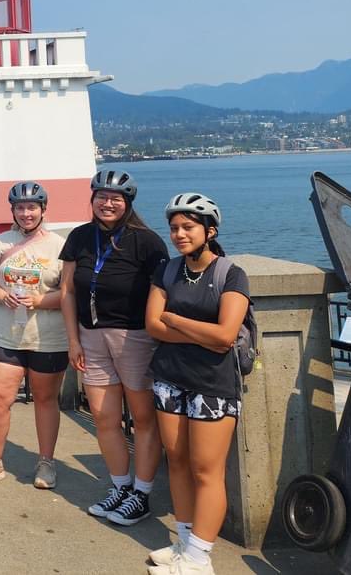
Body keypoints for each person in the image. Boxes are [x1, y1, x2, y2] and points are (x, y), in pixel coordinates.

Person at [145, 194, 250, 574]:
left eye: (187, 227)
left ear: (210, 230)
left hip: (213, 384)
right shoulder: (168, 271)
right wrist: (195, 331)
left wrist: (176, 320)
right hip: (170, 379)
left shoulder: (230, 274)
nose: (178, 234)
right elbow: (152, 325)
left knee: (207, 470)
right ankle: (184, 543)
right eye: (174, 227)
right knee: (176, 462)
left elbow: (225, 336)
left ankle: (199, 557)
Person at [60, 169, 168, 526]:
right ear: (91, 199)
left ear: (128, 203)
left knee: (142, 418)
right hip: (90, 336)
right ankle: (120, 486)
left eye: (116, 198)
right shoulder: (79, 237)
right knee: (105, 417)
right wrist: (73, 339)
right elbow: (67, 291)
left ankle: (142, 493)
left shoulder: (147, 241)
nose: (108, 203)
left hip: (133, 336)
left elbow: (161, 293)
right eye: (101, 196)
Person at [0, 182, 69, 491]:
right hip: (6, 334)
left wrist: (41, 301)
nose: (26, 213)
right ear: (12, 210)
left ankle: (46, 462)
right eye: (20, 208)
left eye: (32, 207)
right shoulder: (0, 243)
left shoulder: (59, 245)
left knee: (44, 399)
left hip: (48, 337)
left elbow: (69, 292)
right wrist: (2, 296)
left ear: (43, 209)